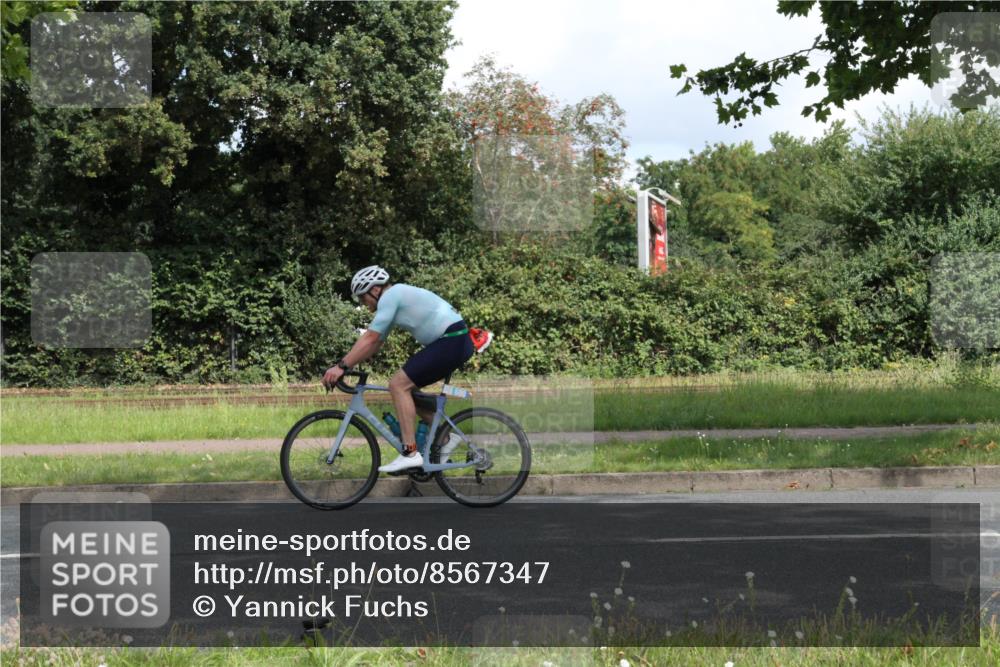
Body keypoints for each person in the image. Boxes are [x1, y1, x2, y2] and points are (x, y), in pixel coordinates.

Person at [321, 266, 492, 473]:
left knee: (398, 385)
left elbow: (370, 338)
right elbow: (375, 344)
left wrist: (340, 367)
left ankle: (410, 453)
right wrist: (347, 365)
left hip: (451, 341)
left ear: (375, 290)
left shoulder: (391, 297)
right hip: (452, 341)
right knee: (406, 390)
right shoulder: (395, 298)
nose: (363, 304)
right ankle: (445, 438)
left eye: (362, 298)